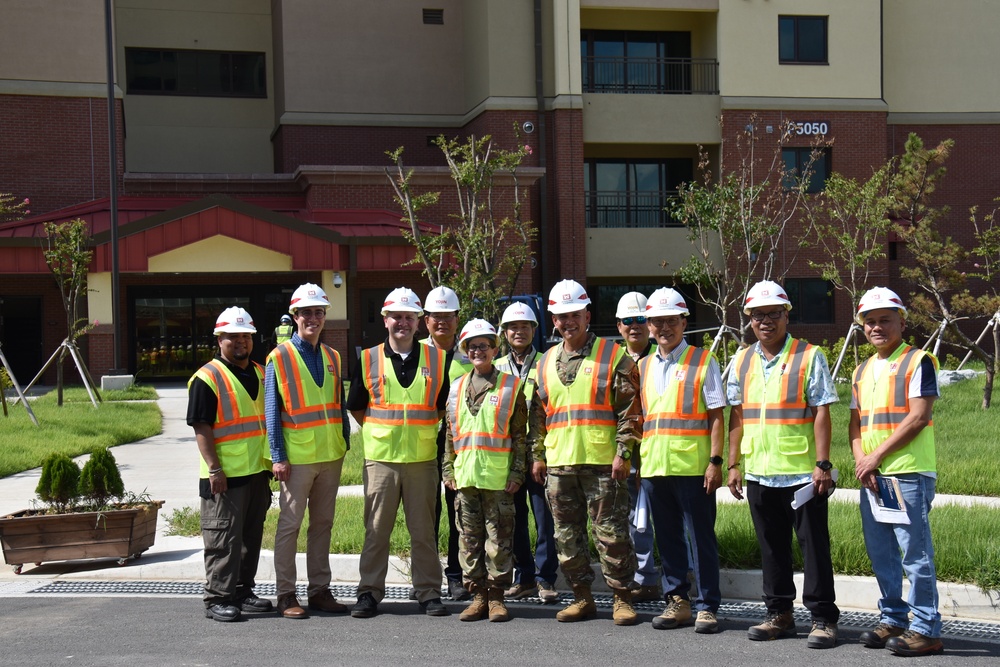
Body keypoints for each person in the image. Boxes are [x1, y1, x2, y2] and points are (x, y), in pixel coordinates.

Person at [726, 280, 840, 649]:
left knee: (813, 546)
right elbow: (737, 416)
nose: (766, 321)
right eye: (758, 315)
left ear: (786, 315)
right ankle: (779, 613)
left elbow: (822, 411)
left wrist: (823, 464)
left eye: (773, 314)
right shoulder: (742, 359)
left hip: (801, 472)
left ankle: (822, 618)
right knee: (771, 546)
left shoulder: (809, 356)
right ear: (749, 319)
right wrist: (733, 463)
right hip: (759, 471)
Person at [529, 279, 641, 626]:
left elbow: (631, 412)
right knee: (566, 536)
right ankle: (582, 597)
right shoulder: (545, 362)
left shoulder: (613, 356)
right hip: (560, 465)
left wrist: (623, 453)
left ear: (587, 315)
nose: (568, 322)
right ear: (553, 320)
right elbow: (538, 416)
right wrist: (537, 455)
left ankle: (622, 598)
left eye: (574, 314)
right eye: (561, 316)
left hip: (603, 465)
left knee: (611, 535)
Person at [347, 286, 451, 618]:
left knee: (423, 531)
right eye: (397, 317)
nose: (403, 323)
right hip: (381, 461)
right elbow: (357, 408)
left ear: (419, 322)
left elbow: (440, 408)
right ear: (385, 320)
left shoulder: (438, 359)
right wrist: (382, 434)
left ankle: (429, 592)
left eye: (409, 317)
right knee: (376, 531)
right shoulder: (367, 358)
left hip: (421, 460)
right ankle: (369, 592)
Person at [850, 287, 944, 657]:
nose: (877, 327)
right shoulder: (862, 368)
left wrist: (875, 458)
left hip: (907, 472)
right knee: (883, 552)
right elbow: (855, 424)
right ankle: (894, 617)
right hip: (874, 476)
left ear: (901, 322)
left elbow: (919, 416)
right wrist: (862, 461)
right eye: (870, 322)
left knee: (914, 555)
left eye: (885, 320)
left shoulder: (918, 360)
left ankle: (926, 628)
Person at [638, 288, 725, 634]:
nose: (664, 328)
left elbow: (718, 416)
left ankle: (707, 606)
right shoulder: (642, 366)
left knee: (700, 539)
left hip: (693, 468)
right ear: (649, 327)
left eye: (671, 321)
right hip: (655, 467)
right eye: (657, 322)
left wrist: (716, 461)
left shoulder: (704, 361)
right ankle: (677, 601)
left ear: (683, 322)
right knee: (668, 538)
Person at [265, 283, 351, 619]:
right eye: (306, 313)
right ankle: (286, 594)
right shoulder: (280, 356)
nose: (313, 318)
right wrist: (278, 456)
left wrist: (343, 442)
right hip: (297, 459)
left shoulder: (333, 356)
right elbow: (272, 411)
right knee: (290, 526)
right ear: (295, 316)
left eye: (318, 312)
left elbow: (338, 405)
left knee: (323, 524)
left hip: (331, 455)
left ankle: (319, 591)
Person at [187, 306, 273, 622]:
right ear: (219, 339)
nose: (240, 341)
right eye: (232, 336)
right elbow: (201, 427)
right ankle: (217, 598)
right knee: (222, 538)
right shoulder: (207, 378)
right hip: (223, 476)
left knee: (250, 538)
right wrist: (214, 469)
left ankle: (242, 591)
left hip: (256, 472)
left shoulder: (262, 373)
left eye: (245, 336)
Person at [443, 319, 527, 622]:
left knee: (499, 542)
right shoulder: (456, 388)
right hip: (465, 479)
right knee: (469, 541)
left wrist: (518, 473)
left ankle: (497, 599)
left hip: (498, 479)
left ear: (494, 348)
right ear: (466, 351)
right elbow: (451, 434)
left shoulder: (510, 387)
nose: (479, 351)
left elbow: (520, 436)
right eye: (473, 346)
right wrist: (447, 470)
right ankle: (478, 597)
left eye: (484, 345)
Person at [494, 301, 560, 605]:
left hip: (541, 452)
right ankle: (525, 577)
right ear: (504, 333)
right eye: (512, 327)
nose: (518, 332)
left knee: (544, 518)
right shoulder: (495, 367)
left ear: (534, 330)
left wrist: (540, 454)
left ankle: (546, 578)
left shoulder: (547, 363)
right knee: (515, 517)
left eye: (524, 326)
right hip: (507, 455)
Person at [422, 285, 473, 601]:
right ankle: (426, 577)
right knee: (427, 514)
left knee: (458, 512)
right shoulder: (416, 356)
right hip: (424, 443)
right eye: (436, 317)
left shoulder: (471, 356)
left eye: (448, 316)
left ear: (458, 318)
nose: (442, 322)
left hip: (459, 445)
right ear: (426, 320)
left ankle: (456, 575)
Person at [614, 291, 660, 604]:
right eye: (628, 321)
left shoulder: (663, 357)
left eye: (641, 320)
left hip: (660, 451)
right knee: (633, 519)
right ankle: (643, 578)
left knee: (669, 521)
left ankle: (673, 579)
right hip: (625, 451)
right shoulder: (612, 361)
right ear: (619, 326)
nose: (635, 326)